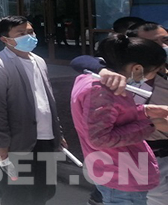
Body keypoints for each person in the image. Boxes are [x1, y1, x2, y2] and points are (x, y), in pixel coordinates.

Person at [71, 35, 168, 205]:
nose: (155, 76)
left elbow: (114, 116)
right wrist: (152, 124)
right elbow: (100, 138)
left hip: (118, 171)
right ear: (137, 68)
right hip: (121, 175)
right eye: (155, 71)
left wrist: (146, 111)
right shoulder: (101, 91)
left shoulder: (96, 81)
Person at [0, 15, 64, 204]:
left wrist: (57, 131)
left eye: (30, 32)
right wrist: (1, 142)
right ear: (5, 39)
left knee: (44, 191)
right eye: (20, 33)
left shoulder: (39, 61)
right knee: (18, 194)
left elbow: (47, 100)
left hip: (45, 138)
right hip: (17, 142)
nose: (29, 36)